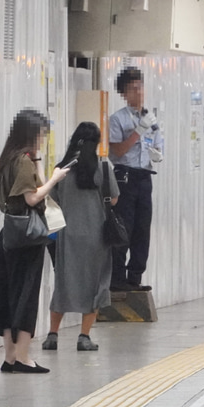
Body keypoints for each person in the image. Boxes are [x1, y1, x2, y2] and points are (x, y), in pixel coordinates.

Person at [0, 109, 70, 372]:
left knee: (8, 295)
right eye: (41, 134)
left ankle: (10, 357)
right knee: (27, 295)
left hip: (8, 235)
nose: (43, 138)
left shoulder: (9, 159)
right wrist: (55, 178)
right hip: (27, 237)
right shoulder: (23, 162)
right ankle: (23, 357)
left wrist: (39, 163)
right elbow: (33, 197)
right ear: (31, 133)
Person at [44, 122, 121, 351]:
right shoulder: (103, 168)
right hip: (97, 237)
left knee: (64, 284)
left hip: (68, 236)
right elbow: (114, 198)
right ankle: (84, 337)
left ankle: (52, 335)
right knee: (95, 285)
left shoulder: (62, 169)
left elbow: (53, 198)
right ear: (96, 143)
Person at [108, 67, 163, 292]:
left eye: (140, 87)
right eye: (133, 89)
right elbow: (117, 152)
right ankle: (118, 278)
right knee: (124, 228)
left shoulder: (150, 118)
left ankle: (135, 277)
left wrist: (157, 152)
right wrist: (138, 132)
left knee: (142, 229)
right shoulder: (117, 119)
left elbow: (158, 144)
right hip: (125, 177)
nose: (139, 92)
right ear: (124, 93)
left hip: (144, 177)